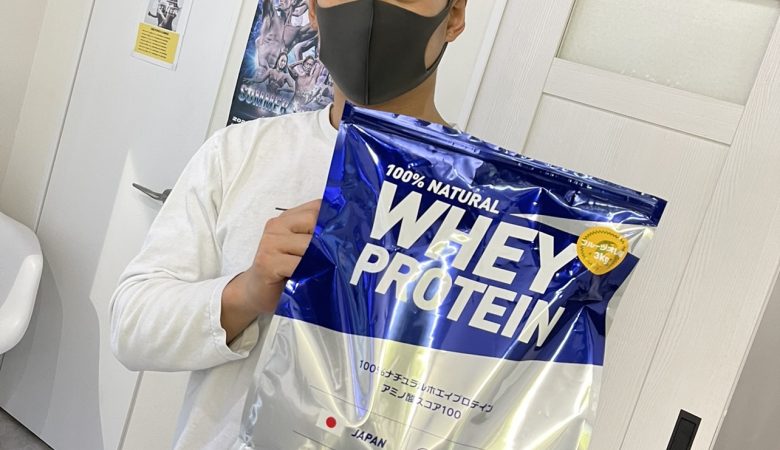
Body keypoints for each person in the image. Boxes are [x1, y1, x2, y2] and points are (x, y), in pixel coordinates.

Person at [109, 0, 466, 449]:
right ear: (313, 11)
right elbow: (131, 326)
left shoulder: (505, 212)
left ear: (454, 15)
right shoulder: (238, 153)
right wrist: (245, 292)